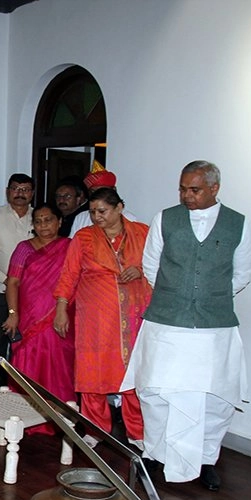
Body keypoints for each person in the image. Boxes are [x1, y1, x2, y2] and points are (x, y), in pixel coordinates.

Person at [120, 160, 251, 491]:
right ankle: (155, 455)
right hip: (166, 322)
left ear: (214, 188)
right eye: (182, 189)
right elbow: (151, 264)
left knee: (214, 396)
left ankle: (206, 459)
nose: (186, 196)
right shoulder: (165, 218)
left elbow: (242, 274)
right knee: (156, 391)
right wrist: (177, 296)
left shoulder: (238, 223)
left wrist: (207, 298)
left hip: (214, 327)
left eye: (194, 190)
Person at [53, 187, 152, 450]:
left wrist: (139, 270)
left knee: (132, 376)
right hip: (95, 320)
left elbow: (160, 266)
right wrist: (61, 308)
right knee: (92, 374)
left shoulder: (143, 233)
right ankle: (95, 429)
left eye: (102, 211)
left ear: (119, 207)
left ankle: (137, 433)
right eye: (93, 211)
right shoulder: (84, 238)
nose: (97, 217)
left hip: (133, 318)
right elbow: (69, 275)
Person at [2, 203, 76, 433]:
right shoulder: (24, 248)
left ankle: (60, 418)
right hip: (29, 316)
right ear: (32, 225)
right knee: (28, 361)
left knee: (59, 363)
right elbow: (12, 282)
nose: (43, 225)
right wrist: (13, 314)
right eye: (38, 221)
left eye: (49, 220)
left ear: (60, 222)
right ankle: (23, 417)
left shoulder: (70, 247)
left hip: (60, 315)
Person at [0, 174, 35, 369]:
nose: (20, 193)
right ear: (7, 191)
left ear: (32, 193)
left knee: (23, 345)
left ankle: (18, 390)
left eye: (25, 189)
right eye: (16, 189)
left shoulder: (39, 217)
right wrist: (6, 280)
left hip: (28, 295)